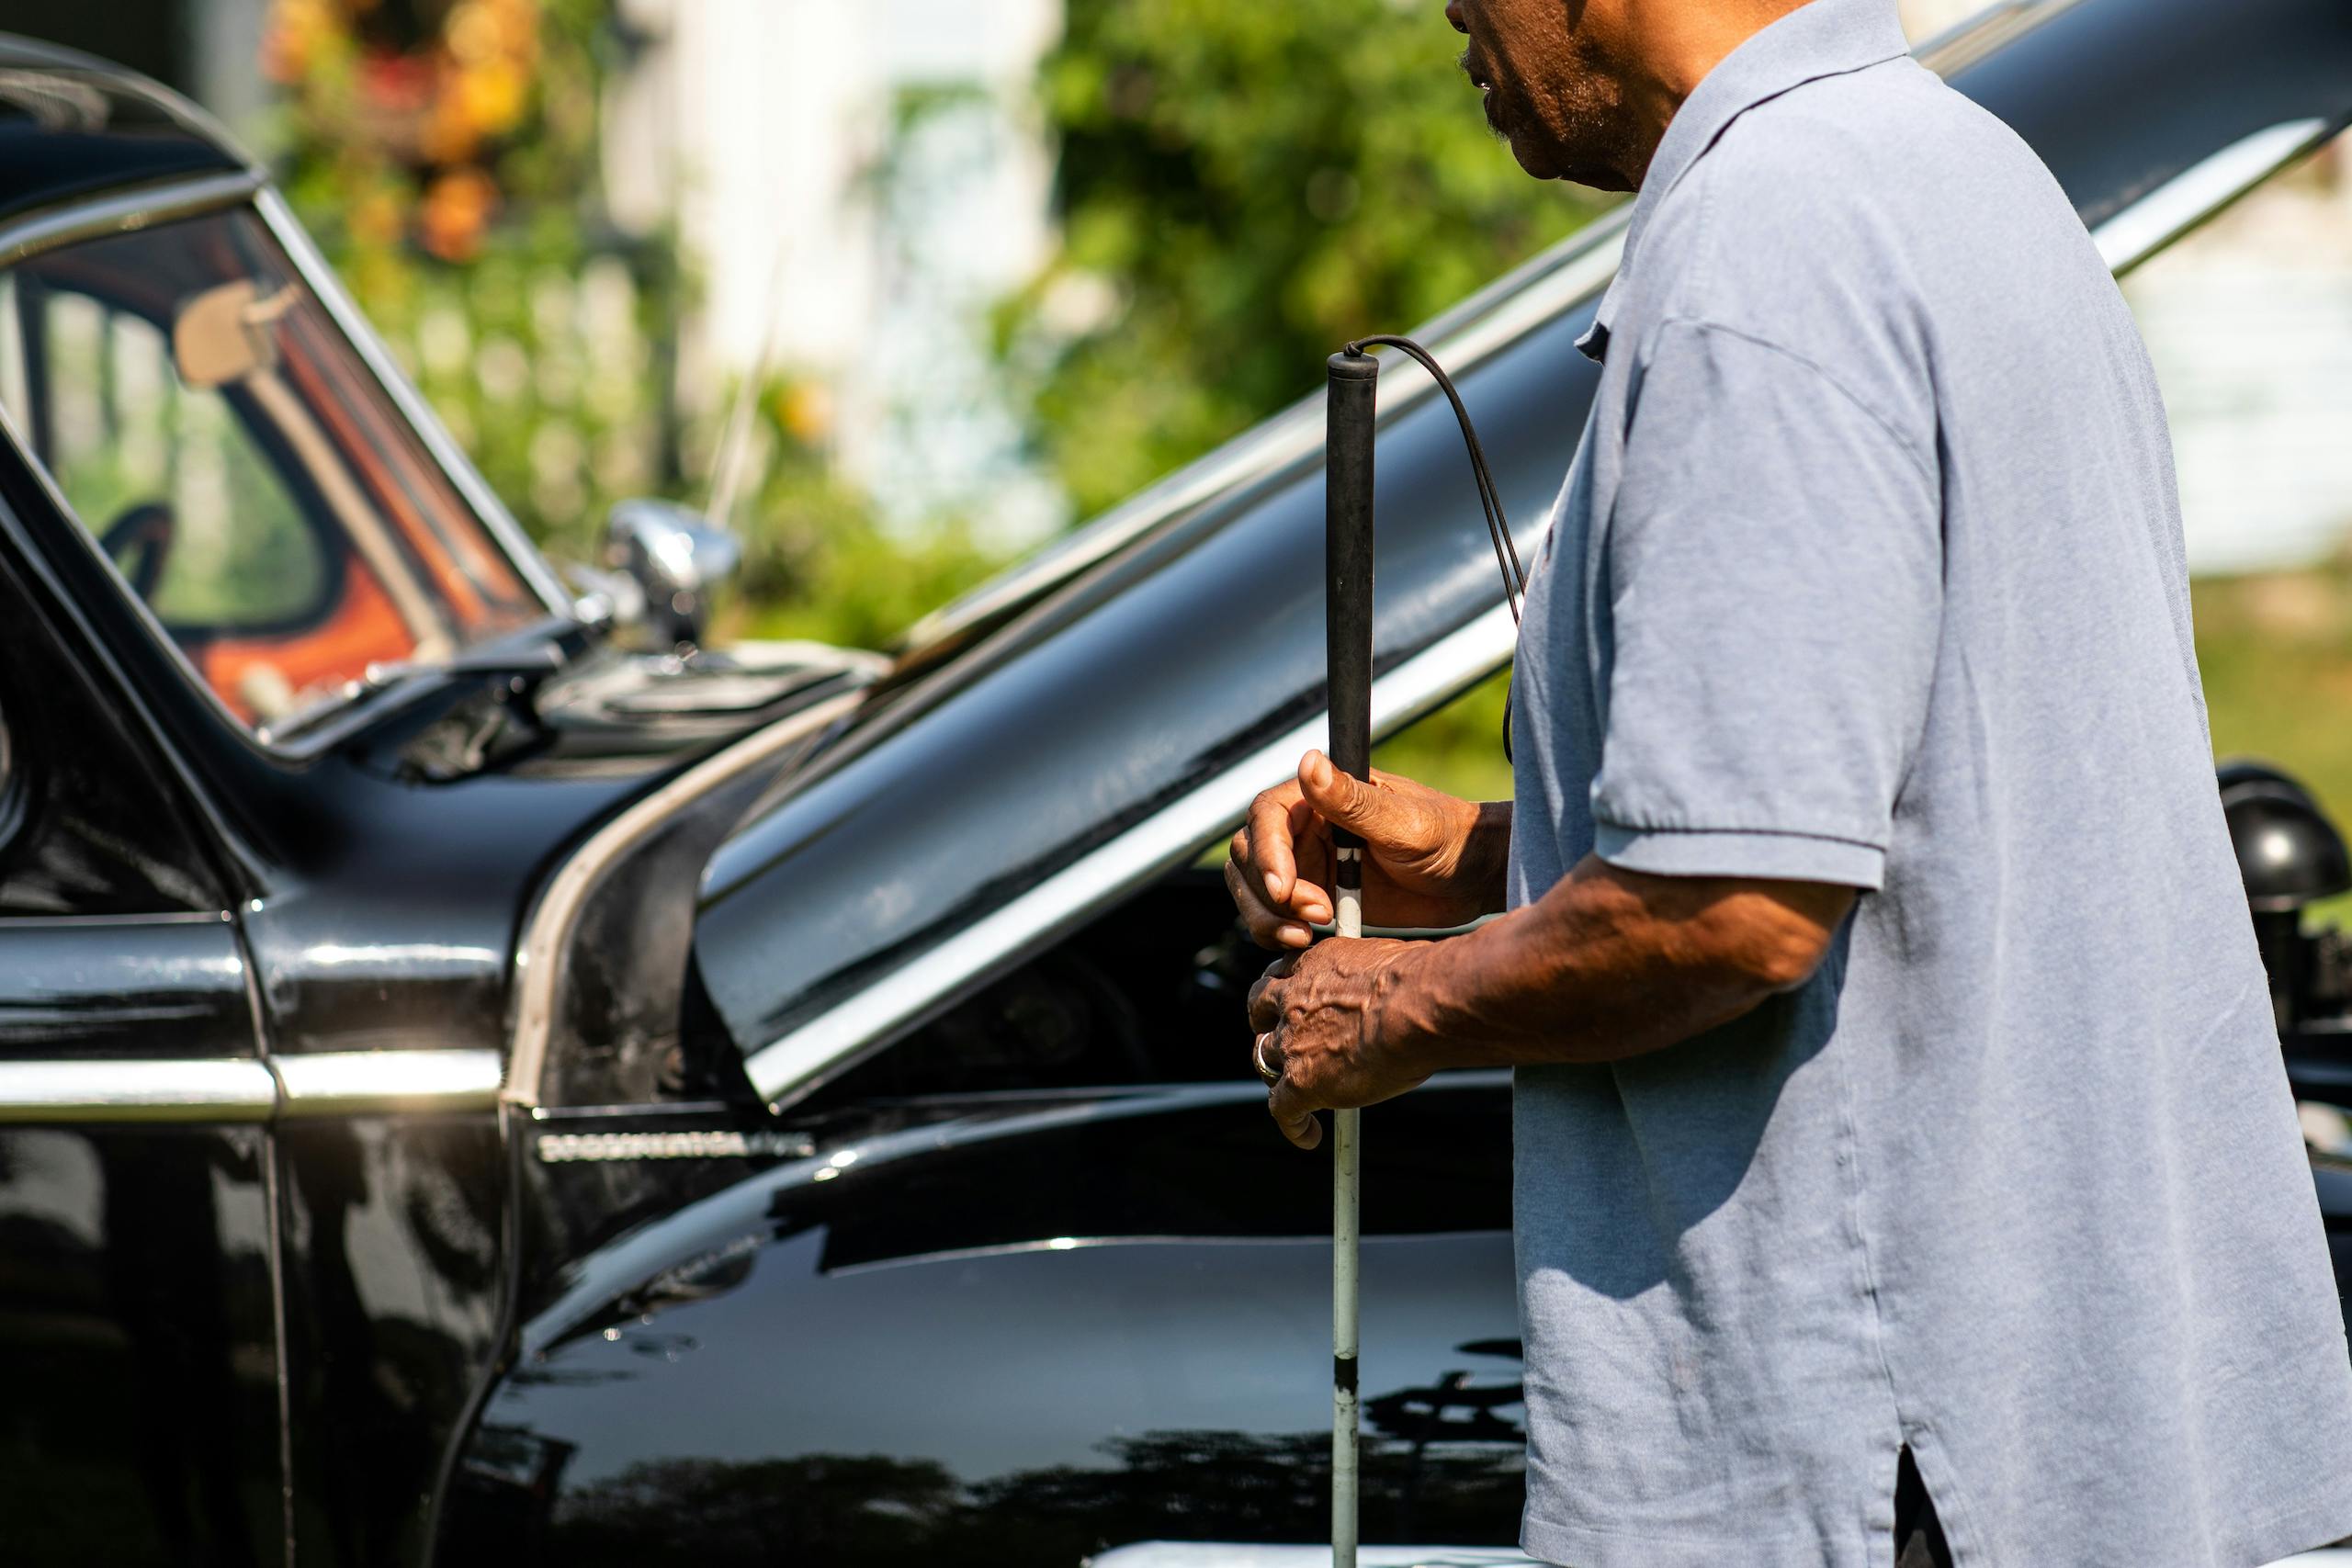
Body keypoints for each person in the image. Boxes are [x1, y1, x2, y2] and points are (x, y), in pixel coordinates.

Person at [1224, 1, 2352, 1563]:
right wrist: (1486, 855)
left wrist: (1395, 1009)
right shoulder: (1955, 168)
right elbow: (1905, 818)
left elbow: (1739, 909)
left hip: (1889, 1469)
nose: (1446, 11)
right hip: (2056, 1429)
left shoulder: (1765, 254)